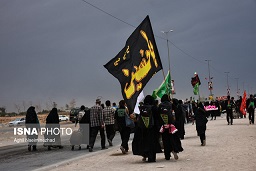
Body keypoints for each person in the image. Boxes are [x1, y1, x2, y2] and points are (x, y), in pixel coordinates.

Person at [132, 95, 161, 162]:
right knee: (152, 143)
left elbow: (138, 118)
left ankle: (145, 155)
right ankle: (152, 158)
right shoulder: (154, 108)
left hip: (143, 128)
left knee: (145, 142)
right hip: (152, 128)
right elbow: (157, 118)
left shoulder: (141, 108)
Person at [158, 94, 183, 160]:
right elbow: (176, 111)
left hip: (163, 126)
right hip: (171, 125)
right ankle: (174, 150)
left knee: (165, 140)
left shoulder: (160, 105)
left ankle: (167, 155)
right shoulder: (170, 104)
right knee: (172, 139)